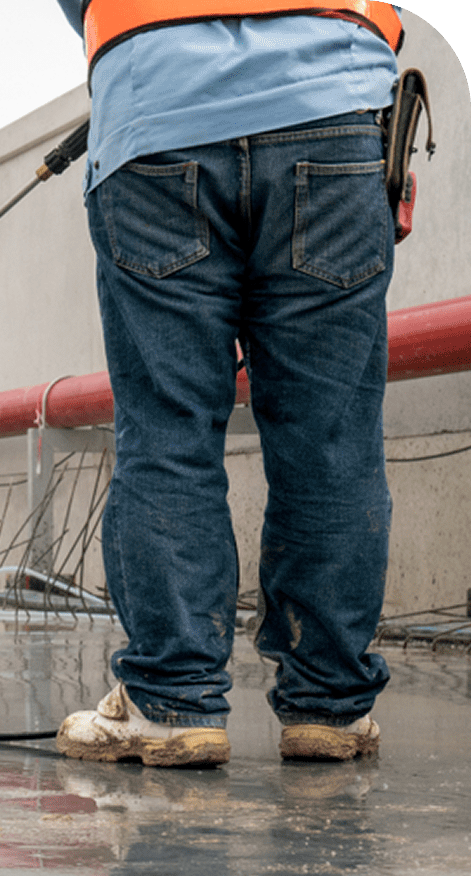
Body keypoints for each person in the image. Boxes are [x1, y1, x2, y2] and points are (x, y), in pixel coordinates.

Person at [52, 2, 406, 765]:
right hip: (332, 108)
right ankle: (328, 708)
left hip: (157, 116)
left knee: (167, 429)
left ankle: (174, 703)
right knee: (332, 435)